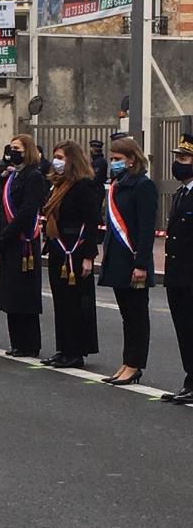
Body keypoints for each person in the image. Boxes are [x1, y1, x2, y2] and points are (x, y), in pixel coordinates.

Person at [98, 137, 158, 386]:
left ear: (132, 160)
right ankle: (126, 362)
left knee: (137, 315)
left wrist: (141, 264)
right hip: (117, 260)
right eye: (112, 159)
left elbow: (146, 229)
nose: (113, 164)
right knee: (126, 315)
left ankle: (135, 365)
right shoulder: (118, 185)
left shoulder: (143, 186)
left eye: (118, 160)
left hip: (134, 260)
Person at [41, 141, 101, 369]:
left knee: (75, 302)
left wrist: (88, 256)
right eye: (54, 156)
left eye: (60, 157)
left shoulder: (83, 185)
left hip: (75, 249)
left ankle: (75, 351)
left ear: (72, 160)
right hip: (58, 248)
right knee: (61, 301)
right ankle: (63, 348)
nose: (56, 161)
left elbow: (92, 220)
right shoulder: (58, 184)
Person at [0, 134, 46, 357]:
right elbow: (0, 207)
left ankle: (29, 343)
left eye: (17, 148)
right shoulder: (12, 176)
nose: (13, 152)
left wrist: (5, 236)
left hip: (23, 241)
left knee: (25, 293)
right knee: (11, 292)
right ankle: (17, 341)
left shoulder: (33, 177)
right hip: (8, 241)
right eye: (11, 147)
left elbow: (26, 211)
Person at [162, 134, 193, 404]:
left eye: (184, 159)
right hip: (178, 276)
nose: (178, 164)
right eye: (177, 158)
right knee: (184, 331)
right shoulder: (181, 193)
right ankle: (190, 380)